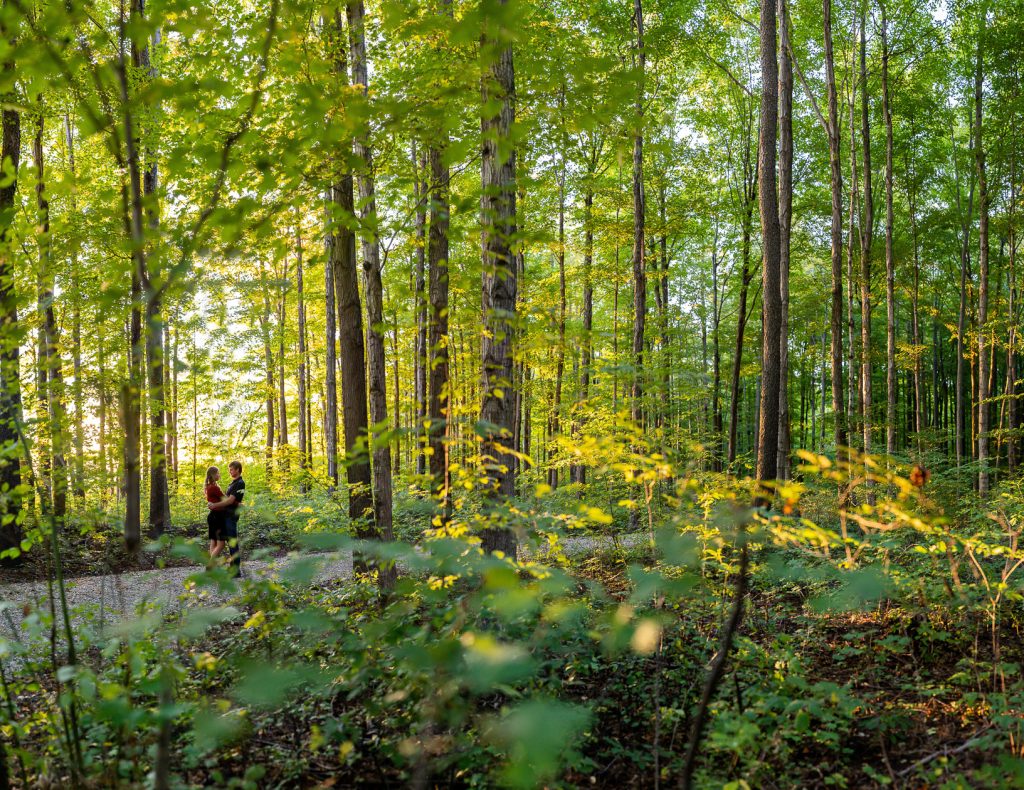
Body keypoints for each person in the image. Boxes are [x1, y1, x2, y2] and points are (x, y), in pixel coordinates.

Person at [208, 460, 245, 576]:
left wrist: (214, 505)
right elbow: (227, 500)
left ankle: (236, 571)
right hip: (225, 516)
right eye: (229, 469)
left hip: (231, 516)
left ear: (238, 469)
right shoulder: (232, 483)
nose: (230, 471)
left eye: (232, 469)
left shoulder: (240, 483)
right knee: (228, 542)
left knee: (233, 542)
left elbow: (229, 500)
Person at [205, 466, 227, 564]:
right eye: (218, 473)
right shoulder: (214, 487)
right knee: (221, 544)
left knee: (213, 542)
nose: (219, 475)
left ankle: (213, 567)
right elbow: (225, 499)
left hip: (213, 516)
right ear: (213, 475)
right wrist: (238, 503)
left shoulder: (209, 486)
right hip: (217, 517)